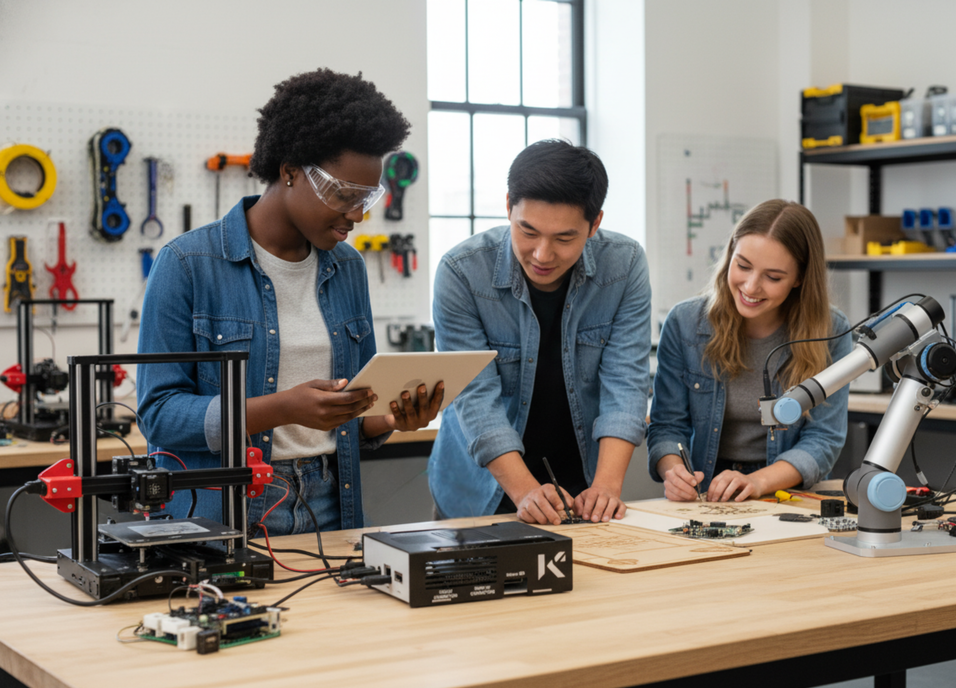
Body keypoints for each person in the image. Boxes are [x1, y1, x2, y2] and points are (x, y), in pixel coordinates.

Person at [136, 69, 442, 536]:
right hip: (229, 510)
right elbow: (159, 416)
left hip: (331, 503)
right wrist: (282, 408)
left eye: (368, 199)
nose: (357, 216)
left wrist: (391, 420)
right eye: (344, 195)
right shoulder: (186, 264)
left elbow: (348, 420)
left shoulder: (348, 269)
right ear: (290, 171)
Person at [428, 139, 651, 525]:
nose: (542, 255)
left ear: (595, 223)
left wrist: (607, 488)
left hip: (584, 486)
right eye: (527, 231)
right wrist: (525, 491)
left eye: (565, 238)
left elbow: (626, 383)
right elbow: (475, 397)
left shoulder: (625, 265)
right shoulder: (462, 272)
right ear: (509, 205)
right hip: (483, 490)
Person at [648, 199, 851, 503]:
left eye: (773, 277)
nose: (751, 286)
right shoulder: (685, 323)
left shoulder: (831, 332)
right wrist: (674, 472)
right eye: (743, 266)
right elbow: (667, 426)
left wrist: (756, 482)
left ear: (799, 278)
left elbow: (824, 439)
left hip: (783, 490)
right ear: (729, 254)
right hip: (706, 488)